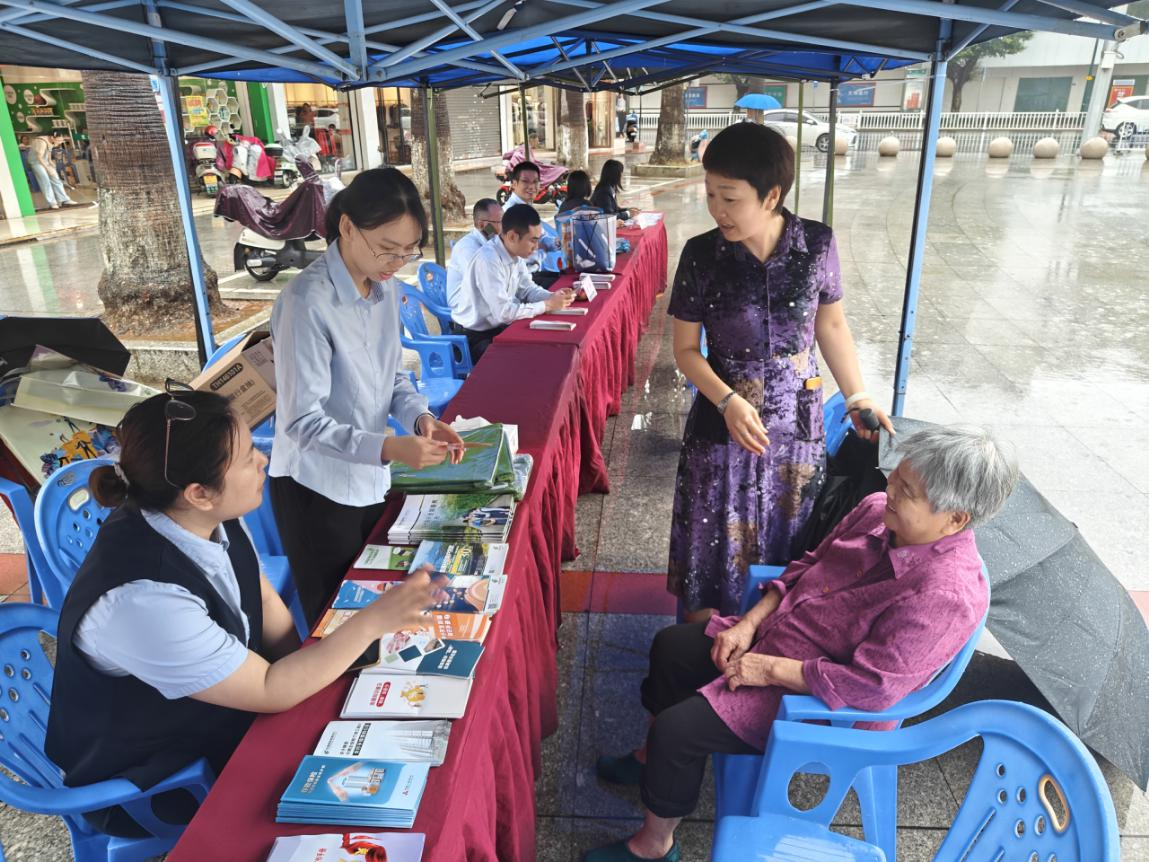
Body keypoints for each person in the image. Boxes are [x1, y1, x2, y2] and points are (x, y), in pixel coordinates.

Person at [586, 426, 1019, 862]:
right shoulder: (875, 510)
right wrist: (749, 625)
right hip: (780, 634)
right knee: (670, 649)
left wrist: (769, 669)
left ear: (955, 518)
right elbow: (808, 566)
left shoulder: (945, 595)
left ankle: (655, 846)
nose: (888, 488)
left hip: (822, 700)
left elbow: (872, 687)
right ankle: (651, 761)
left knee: (679, 731)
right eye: (896, 476)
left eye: (906, 491)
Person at [44, 389, 441, 838]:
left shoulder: (206, 514)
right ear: (199, 493)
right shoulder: (142, 600)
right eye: (248, 454)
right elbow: (270, 689)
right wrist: (374, 620)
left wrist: (311, 689)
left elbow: (265, 602)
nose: (262, 461)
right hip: (153, 777)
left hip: (218, 715)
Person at [667, 122, 894, 622]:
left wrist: (857, 396)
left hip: (797, 427)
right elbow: (685, 350)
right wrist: (727, 400)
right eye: (709, 195)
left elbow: (831, 323)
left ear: (771, 196)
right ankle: (696, 659)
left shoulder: (816, 245)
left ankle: (767, 645)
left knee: (787, 542)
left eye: (729, 198)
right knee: (714, 548)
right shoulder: (702, 256)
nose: (717, 210)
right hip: (722, 425)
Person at [268, 168, 464, 626]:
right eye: (386, 249)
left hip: (370, 477)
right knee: (334, 618)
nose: (396, 263)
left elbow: (392, 374)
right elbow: (302, 423)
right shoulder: (306, 303)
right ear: (347, 227)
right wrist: (389, 447)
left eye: (406, 252)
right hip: (317, 488)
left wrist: (420, 420)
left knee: (373, 598)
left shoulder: (384, 287)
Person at [449, 203, 575, 362]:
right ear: (512, 237)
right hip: (474, 336)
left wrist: (555, 296)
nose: (536, 247)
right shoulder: (488, 260)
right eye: (533, 241)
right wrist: (547, 305)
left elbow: (528, 290)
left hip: (498, 327)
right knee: (517, 361)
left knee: (545, 347)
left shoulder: (514, 253)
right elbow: (503, 313)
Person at [503, 160, 561, 281]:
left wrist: (557, 242)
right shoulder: (511, 212)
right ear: (514, 184)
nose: (531, 186)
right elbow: (524, 253)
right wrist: (542, 248)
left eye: (535, 182)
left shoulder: (527, 207)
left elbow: (542, 238)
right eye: (525, 181)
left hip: (535, 273)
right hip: (523, 278)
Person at [446, 198, 502, 308]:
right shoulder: (468, 249)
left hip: (486, 304)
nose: (504, 227)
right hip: (467, 311)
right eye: (499, 222)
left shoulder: (492, 241)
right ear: (481, 225)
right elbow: (484, 284)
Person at [28, 131, 79, 210]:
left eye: (61, 141)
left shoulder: (51, 142)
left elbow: (48, 158)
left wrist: (53, 166)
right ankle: (52, 203)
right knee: (45, 181)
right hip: (36, 163)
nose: (59, 143)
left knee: (56, 179)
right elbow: (39, 157)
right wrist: (48, 169)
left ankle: (64, 200)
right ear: (52, 137)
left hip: (44, 161)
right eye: (59, 140)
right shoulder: (42, 142)